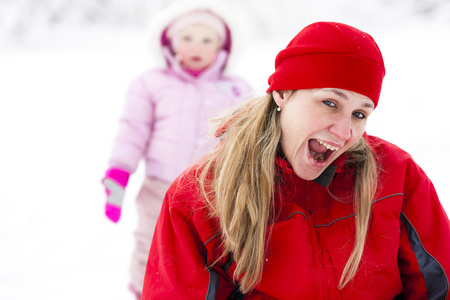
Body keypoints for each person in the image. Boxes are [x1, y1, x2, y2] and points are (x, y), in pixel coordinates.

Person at [140, 21, 450, 299]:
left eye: (359, 114)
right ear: (283, 93)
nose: (344, 131)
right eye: (329, 103)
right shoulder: (199, 195)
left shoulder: (395, 174)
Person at [101, 0, 252, 298]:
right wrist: (118, 175)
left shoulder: (237, 89)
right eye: (187, 38)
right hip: (160, 186)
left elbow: (247, 139)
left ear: (222, 47)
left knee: (207, 248)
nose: (196, 46)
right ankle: (146, 292)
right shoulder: (151, 83)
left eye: (207, 39)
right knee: (151, 242)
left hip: (213, 189)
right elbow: (133, 130)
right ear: (170, 42)